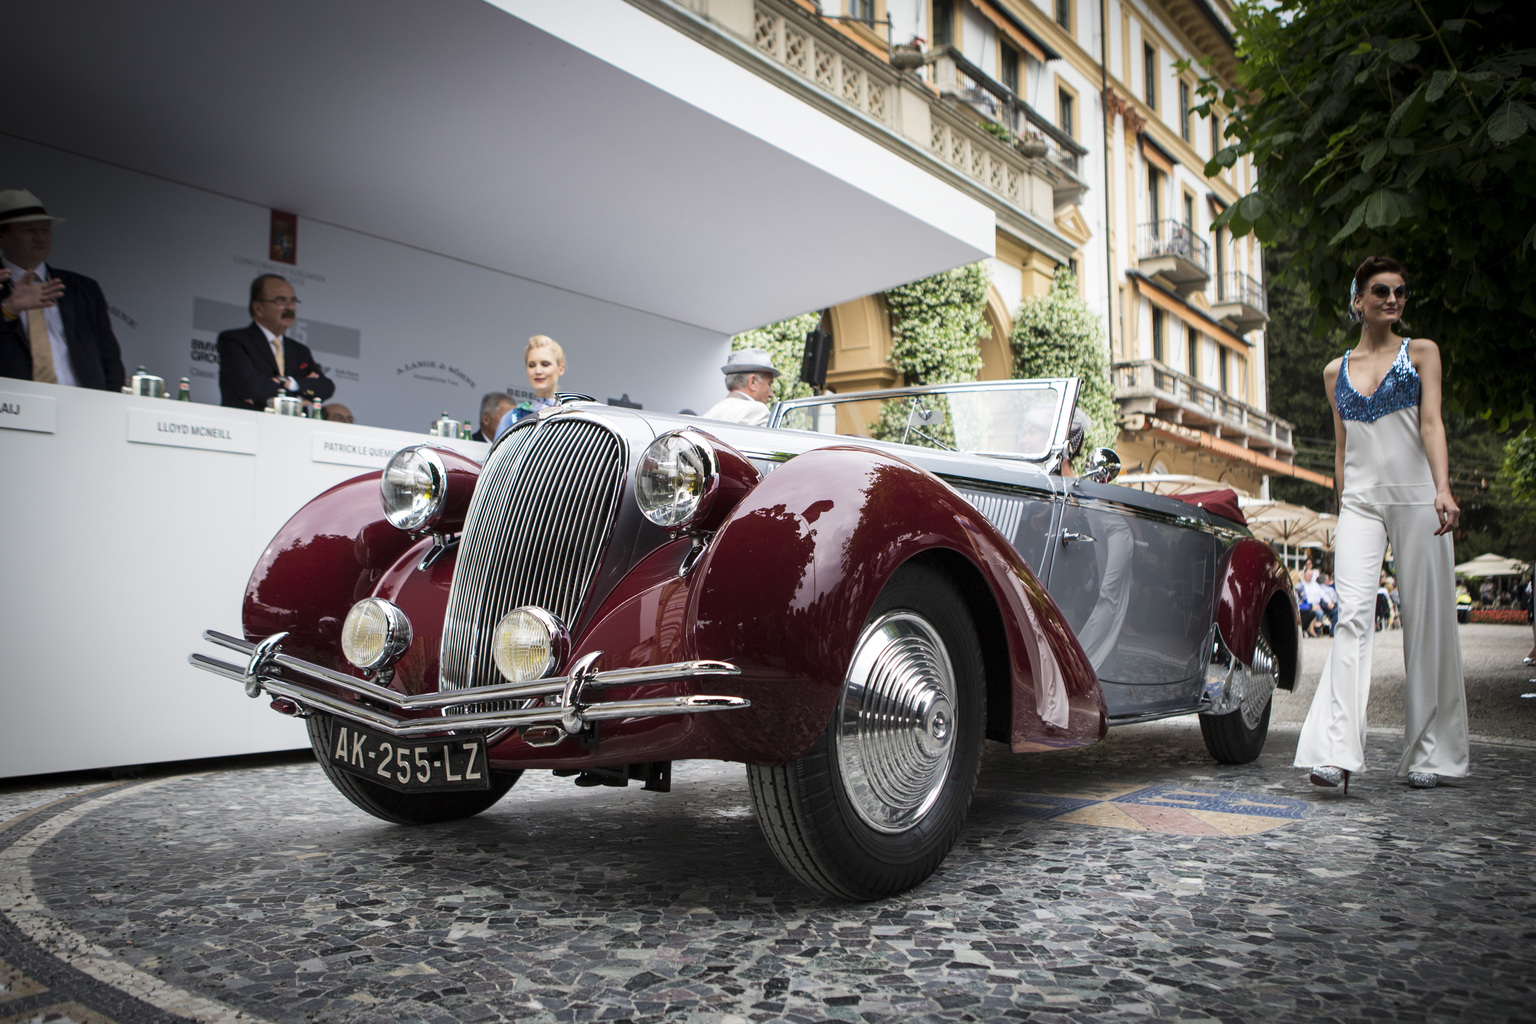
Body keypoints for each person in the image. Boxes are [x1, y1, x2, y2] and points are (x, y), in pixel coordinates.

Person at [1295, 255, 1467, 793]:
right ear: (1358, 300)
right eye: (1381, 290)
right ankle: (1335, 751)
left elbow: (1432, 424)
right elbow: (1343, 450)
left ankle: (1432, 754)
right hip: (1362, 504)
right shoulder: (1334, 371)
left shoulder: (1422, 354)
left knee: (1427, 619)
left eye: (1399, 291)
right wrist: (1345, 509)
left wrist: (1442, 487)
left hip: (1418, 497)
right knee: (1351, 619)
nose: (1392, 299)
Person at [0, 189, 126, 390]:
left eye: (45, 229)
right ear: (2, 235)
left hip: (80, 408)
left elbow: (109, 357)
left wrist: (107, 403)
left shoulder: (83, 289)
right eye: (28, 230)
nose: (39, 238)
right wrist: (7, 310)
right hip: (14, 408)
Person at [218, 275, 335, 410]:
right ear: (258, 308)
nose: (290, 307)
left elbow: (326, 388)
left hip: (293, 428)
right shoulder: (235, 340)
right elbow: (253, 389)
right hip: (249, 425)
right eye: (281, 301)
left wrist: (288, 382)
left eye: (293, 301)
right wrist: (301, 396)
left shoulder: (299, 350)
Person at [494, 336, 565, 439]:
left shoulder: (571, 415)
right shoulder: (512, 417)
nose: (538, 371)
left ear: (561, 369)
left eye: (545, 364)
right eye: (532, 365)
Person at [702, 348, 779, 426]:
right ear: (753, 382)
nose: (771, 394)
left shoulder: (712, 412)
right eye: (769, 384)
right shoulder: (758, 410)